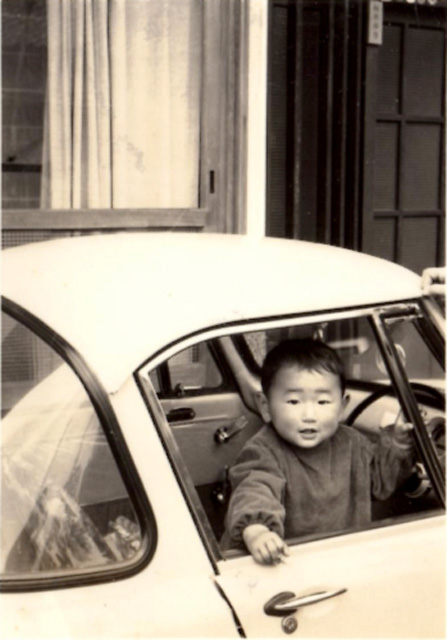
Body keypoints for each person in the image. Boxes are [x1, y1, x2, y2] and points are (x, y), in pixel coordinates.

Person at [223, 338, 415, 565]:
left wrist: (397, 445)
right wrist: (258, 531)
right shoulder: (263, 450)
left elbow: (380, 482)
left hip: (341, 557)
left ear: (342, 407)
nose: (309, 415)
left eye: (323, 402)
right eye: (294, 402)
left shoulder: (353, 443)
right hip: (285, 562)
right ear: (265, 406)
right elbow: (255, 489)